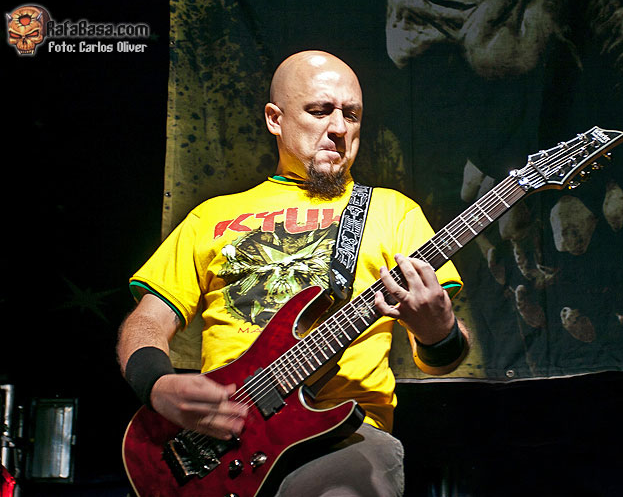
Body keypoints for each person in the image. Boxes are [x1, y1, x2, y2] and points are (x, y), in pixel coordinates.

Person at [117, 50, 467, 496]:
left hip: (340, 438)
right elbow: (147, 321)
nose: (339, 128)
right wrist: (158, 385)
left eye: (351, 115)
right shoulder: (210, 217)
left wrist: (438, 330)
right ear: (274, 119)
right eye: (320, 111)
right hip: (218, 448)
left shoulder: (393, 212)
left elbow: (442, 358)